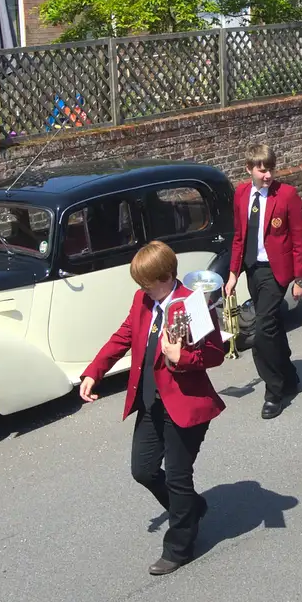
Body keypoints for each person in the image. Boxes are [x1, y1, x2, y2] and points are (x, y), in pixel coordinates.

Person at [80, 241, 227, 575]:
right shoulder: (143, 300)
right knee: (143, 470)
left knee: (177, 477)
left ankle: (179, 546)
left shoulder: (192, 303)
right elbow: (124, 335)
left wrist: (183, 357)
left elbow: (215, 353)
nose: (142, 290)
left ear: (166, 276)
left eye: (147, 283)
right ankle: (191, 508)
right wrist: (94, 372)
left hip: (184, 405)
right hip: (150, 402)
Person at [226, 143, 302, 419]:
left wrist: (300, 278)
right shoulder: (240, 194)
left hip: (277, 271)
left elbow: (299, 238)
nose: (267, 175)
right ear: (249, 169)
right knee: (272, 327)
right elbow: (238, 236)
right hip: (253, 270)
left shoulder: (287, 195)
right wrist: (233, 274)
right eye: (262, 170)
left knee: (262, 332)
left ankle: (274, 392)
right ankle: (290, 375)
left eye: (271, 169)